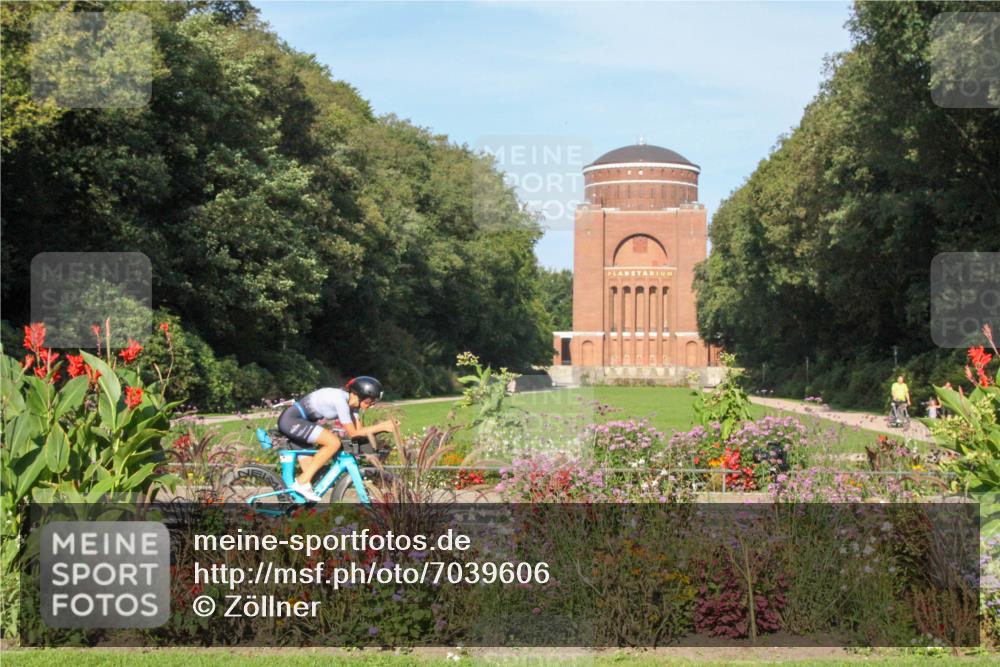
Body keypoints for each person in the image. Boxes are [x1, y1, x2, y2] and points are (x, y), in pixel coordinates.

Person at [276, 376, 400, 502]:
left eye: (374, 401)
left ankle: (296, 505)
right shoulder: (340, 401)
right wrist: (382, 426)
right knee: (333, 443)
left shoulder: (353, 406)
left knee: (312, 483)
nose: (372, 404)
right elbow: (352, 433)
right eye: (370, 401)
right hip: (292, 420)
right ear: (357, 395)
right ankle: (301, 482)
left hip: (302, 423)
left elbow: (358, 434)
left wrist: (372, 454)